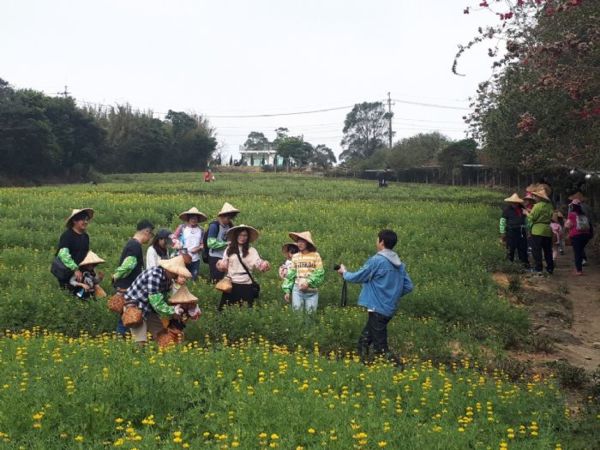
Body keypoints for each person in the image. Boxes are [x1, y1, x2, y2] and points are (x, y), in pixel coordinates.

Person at [337, 229, 413, 365]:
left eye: (377, 239)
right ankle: (362, 366)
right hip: (387, 309)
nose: (376, 241)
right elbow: (408, 286)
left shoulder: (377, 261)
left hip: (377, 308)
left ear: (381, 242)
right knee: (364, 340)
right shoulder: (399, 264)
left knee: (380, 348)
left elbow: (359, 276)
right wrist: (392, 294)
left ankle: (398, 368)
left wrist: (344, 273)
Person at [123, 256, 191, 345]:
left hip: (149, 308)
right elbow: (156, 302)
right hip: (136, 306)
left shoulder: (168, 279)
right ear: (169, 270)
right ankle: (138, 353)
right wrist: (173, 311)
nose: (177, 275)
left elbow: (164, 299)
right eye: (176, 273)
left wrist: (174, 310)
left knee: (161, 334)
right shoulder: (154, 275)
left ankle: (163, 352)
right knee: (140, 340)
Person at [112, 219, 155, 336]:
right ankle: (120, 338)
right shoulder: (135, 245)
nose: (150, 238)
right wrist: (116, 276)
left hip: (127, 286)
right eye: (151, 234)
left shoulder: (132, 244)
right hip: (128, 287)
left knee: (126, 314)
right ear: (146, 231)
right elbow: (129, 264)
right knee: (127, 314)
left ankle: (123, 338)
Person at [216, 225, 270, 310]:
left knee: (246, 310)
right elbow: (224, 265)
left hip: (246, 284)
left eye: (245, 235)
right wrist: (220, 265)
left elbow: (258, 263)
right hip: (231, 284)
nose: (242, 237)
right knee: (225, 311)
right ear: (236, 236)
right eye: (240, 235)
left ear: (248, 237)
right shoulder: (229, 249)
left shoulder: (251, 250)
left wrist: (264, 265)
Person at [282, 231, 325, 312]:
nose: (300, 244)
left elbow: (320, 273)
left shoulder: (316, 255)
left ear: (307, 243)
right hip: (297, 290)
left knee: (310, 315)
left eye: (302, 241)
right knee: (297, 314)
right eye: (298, 241)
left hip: (311, 290)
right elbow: (291, 274)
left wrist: (308, 282)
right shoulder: (295, 256)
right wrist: (287, 291)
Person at [54, 208, 93, 288]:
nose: (85, 222)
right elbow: (63, 255)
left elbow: (85, 254)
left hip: (81, 272)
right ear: (74, 221)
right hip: (67, 272)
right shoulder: (67, 236)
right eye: (82, 219)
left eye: (86, 220)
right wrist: (75, 269)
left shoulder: (85, 236)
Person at [207, 202, 240, 283]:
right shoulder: (214, 226)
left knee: (227, 280)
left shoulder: (230, 226)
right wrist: (225, 244)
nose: (229, 220)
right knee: (216, 279)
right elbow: (210, 243)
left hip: (227, 256)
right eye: (228, 218)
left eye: (230, 218)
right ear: (222, 216)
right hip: (215, 256)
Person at [527, 189, 554, 275]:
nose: (535, 198)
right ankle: (550, 267)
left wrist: (527, 213)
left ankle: (538, 268)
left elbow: (532, 218)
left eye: (536, 196)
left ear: (539, 197)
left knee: (536, 250)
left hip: (537, 230)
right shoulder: (550, 206)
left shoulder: (537, 206)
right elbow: (552, 216)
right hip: (547, 229)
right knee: (548, 250)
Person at [499, 193, 529, 268]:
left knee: (523, 248)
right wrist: (502, 232)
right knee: (510, 248)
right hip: (511, 231)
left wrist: (528, 230)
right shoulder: (507, 210)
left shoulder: (523, 209)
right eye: (513, 202)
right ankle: (509, 264)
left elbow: (527, 220)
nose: (514, 204)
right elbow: (502, 221)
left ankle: (524, 264)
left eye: (516, 202)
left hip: (521, 231)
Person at [178, 207, 208, 281]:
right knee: (182, 279)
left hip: (195, 259)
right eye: (192, 218)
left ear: (198, 219)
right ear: (188, 218)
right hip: (183, 257)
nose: (194, 220)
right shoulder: (182, 228)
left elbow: (203, 244)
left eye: (195, 218)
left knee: (193, 279)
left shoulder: (201, 230)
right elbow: (173, 238)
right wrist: (179, 245)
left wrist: (199, 248)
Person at [565, 199, 592, 276]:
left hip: (576, 235)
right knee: (580, 250)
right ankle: (580, 265)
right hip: (586, 235)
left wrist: (566, 222)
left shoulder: (571, 214)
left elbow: (568, 226)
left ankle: (579, 270)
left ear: (572, 206)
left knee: (577, 253)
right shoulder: (584, 214)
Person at [568, 191, 594, 266]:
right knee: (582, 244)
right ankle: (583, 259)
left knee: (578, 246)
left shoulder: (572, 207)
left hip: (576, 229)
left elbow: (569, 219)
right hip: (587, 227)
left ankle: (580, 260)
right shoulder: (588, 207)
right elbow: (591, 217)